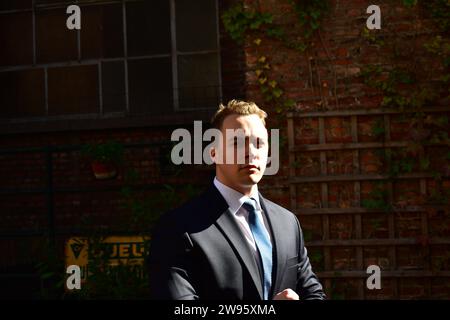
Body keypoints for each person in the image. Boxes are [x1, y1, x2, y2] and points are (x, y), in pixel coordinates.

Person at [148, 100, 325, 300]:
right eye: (238, 142)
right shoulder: (178, 228)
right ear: (214, 153)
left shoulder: (288, 223)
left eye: (259, 143)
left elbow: (313, 293)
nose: (251, 152)